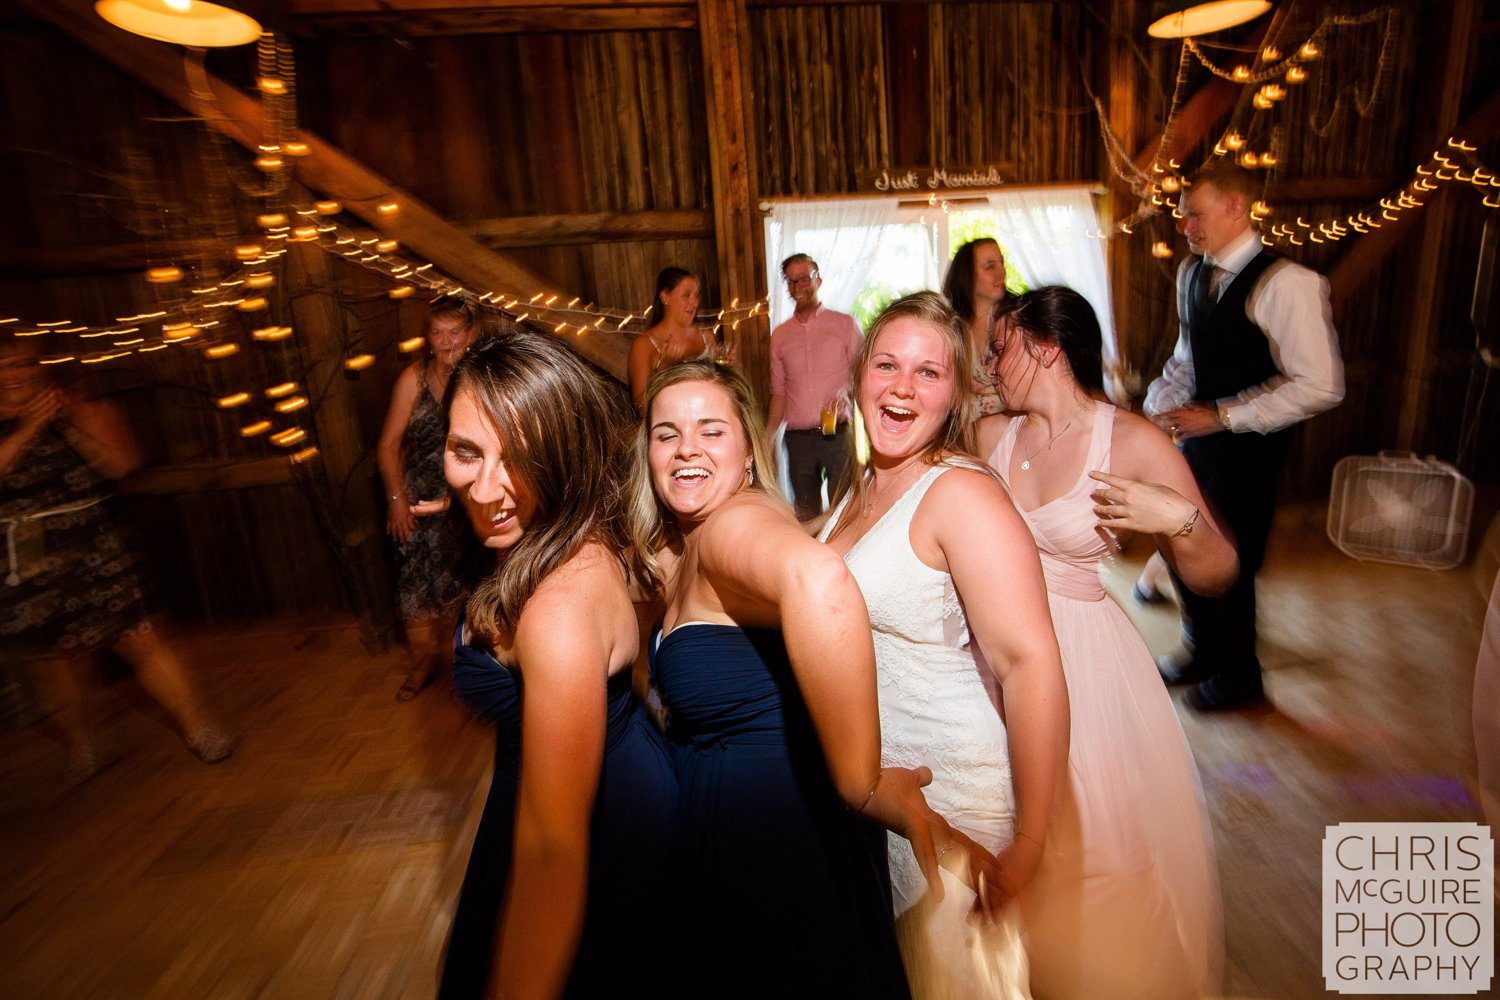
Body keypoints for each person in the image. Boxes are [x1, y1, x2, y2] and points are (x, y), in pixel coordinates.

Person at [629, 359, 1002, 998]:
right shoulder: (691, 540)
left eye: (710, 430)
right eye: (667, 433)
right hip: (753, 827)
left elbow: (820, 581)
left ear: (749, 450)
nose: (687, 447)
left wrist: (859, 782)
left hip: (778, 845)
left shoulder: (731, 527)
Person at [977, 286, 1234, 999]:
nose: (990, 362)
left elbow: (1219, 573)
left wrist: (1175, 519)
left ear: (1047, 347)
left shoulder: (1131, 441)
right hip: (992, 654)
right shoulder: (988, 435)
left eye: (1001, 347)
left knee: (1092, 844)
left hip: (1082, 660)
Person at [819, 292, 1070, 999]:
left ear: (957, 392)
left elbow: (1030, 664)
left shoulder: (962, 495)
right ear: (859, 374)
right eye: (888, 364)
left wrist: (1031, 842)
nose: (902, 386)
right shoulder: (864, 484)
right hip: (884, 796)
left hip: (955, 796)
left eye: (928, 373)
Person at [434, 331, 677, 1000]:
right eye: (466, 452)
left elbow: (551, 857)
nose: (486, 488)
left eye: (520, 457)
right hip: (561, 799)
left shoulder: (559, 607)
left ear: (563, 453)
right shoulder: (560, 529)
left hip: (590, 836)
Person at [1145, 162, 1344, 711]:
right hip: (1192, 444)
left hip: (1251, 450)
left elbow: (1322, 385)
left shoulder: (1290, 283)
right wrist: (1156, 409)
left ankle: (1240, 675)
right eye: (1183, 214)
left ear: (1236, 207)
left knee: (1232, 561)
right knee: (1186, 545)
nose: (1184, 224)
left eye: (1194, 213)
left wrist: (1224, 417)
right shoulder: (1190, 273)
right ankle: (1201, 649)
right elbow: (1187, 359)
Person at [0, 338, 231, 783]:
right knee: (50, 659)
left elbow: (122, 465)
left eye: (26, 364)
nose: (18, 374)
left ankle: (200, 727)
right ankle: (83, 742)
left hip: (91, 546)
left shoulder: (77, 411)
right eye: (6, 366)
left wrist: (70, 421)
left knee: (141, 636)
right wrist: (28, 429)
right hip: (19, 555)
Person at [377, 296, 477, 701]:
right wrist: (396, 498)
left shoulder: (476, 378)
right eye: (438, 332)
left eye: (454, 332)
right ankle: (424, 663)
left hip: (469, 501)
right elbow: (387, 446)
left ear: (469, 335)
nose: (446, 340)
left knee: (467, 590)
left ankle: (470, 671)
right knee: (416, 591)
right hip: (417, 503)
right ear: (428, 337)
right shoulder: (412, 380)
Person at [766, 253, 864, 521]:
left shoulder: (845, 325)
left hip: (837, 434)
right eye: (791, 281)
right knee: (805, 513)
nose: (797, 286)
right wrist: (767, 438)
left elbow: (864, 377)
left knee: (844, 510)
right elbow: (778, 391)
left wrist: (847, 397)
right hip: (797, 440)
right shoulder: (780, 336)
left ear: (818, 280)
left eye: (804, 279)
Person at [627, 267, 714, 412]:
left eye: (697, 296)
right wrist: (667, 366)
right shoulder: (644, 345)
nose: (694, 303)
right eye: (686, 295)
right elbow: (641, 407)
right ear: (665, 297)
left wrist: (729, 367)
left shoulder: (706, 337)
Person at [942, 237, 1012, 417]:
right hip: (963, 435)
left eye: (1001, 263)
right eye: (990, 266)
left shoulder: (1017, 322)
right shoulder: (951, 327)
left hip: (1013, 431)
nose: (1002, 272)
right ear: (967, 276)